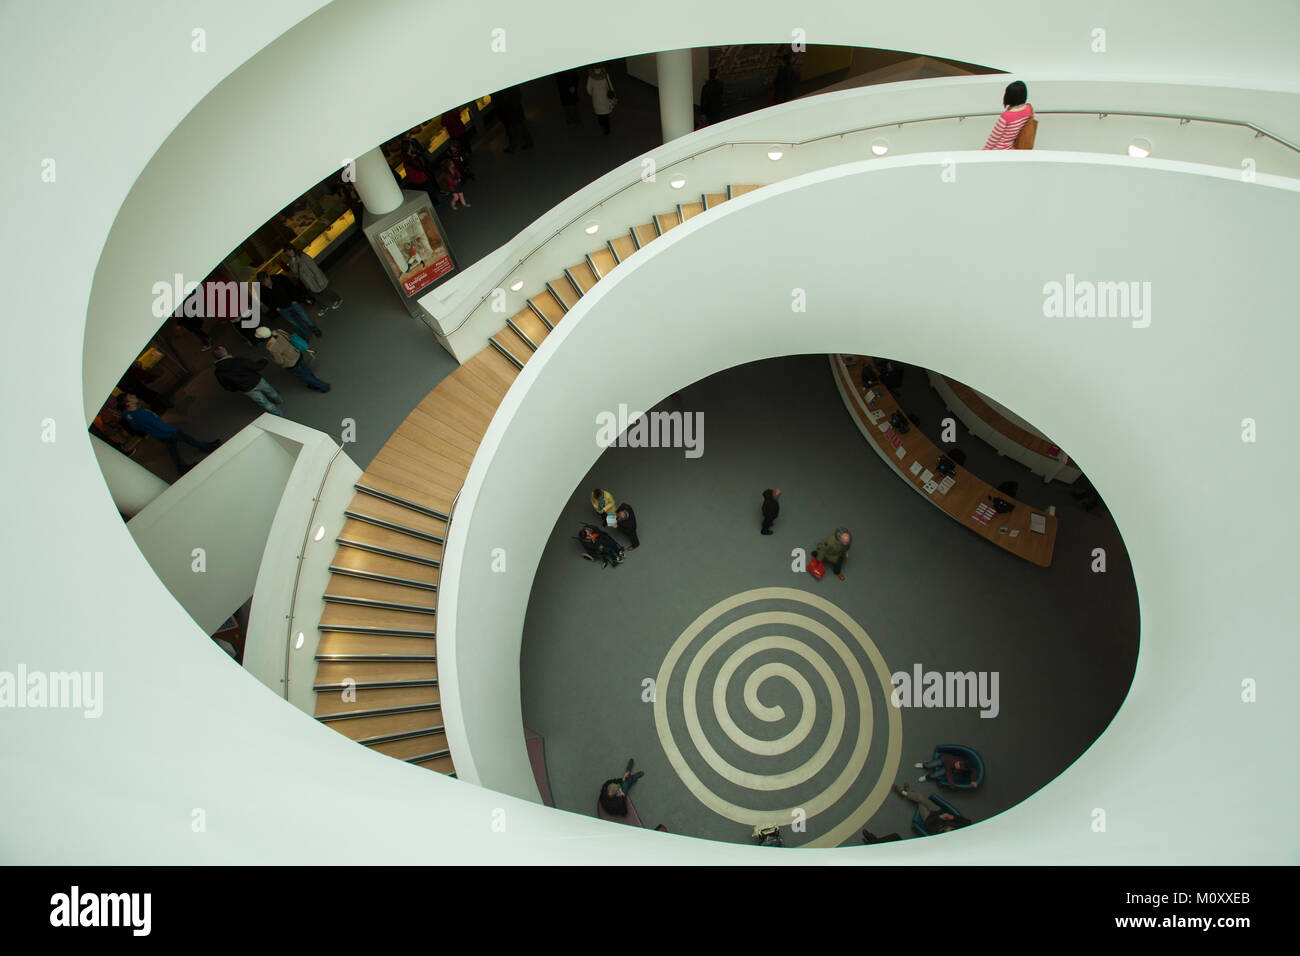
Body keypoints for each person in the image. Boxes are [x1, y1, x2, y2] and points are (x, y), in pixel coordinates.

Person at [119, 393, 218, 475]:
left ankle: (182, 467)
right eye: (131, 397)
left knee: (173, 450)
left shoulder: (128, 415)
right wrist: (171, 429)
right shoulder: (140, 413)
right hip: (168, 432)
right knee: (188, 439)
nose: (134, 395)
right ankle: (206, 447)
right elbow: (156, 424)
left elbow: (138, 428)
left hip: (160, 435)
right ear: (128, 403)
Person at [212, 346, 284, 416]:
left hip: (247, 389)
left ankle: (278, 414)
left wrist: (237, 388)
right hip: (257, 381)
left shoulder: (218, 372)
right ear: (224, 352)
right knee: (271, 392)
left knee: (264, 403)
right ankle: (279, 400)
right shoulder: (238, 360)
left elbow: (226, 385)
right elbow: (257, 367)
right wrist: (264, 361)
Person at [255, 326, 331, 392]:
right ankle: (314, 382)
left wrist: (274, 360)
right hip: (297, 353)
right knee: (306, 370)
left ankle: (324, 386)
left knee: (304, 376)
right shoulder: (279, 332)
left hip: (292, 363)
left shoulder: (271, 347)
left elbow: (280, 361)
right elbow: (289, 338)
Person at [258, 271, 321, 340]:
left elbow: (291, 287)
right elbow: (266, 301)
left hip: (292, 303)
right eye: (263, 283)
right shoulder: (261, 290)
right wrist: (275, 308)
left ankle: (315, 329)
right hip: (282, 309)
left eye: (266, 281)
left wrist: (294, 299)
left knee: (305, 317)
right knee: (295, 323)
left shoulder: (279, 278)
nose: (265, 284)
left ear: (268, 277)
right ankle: (306, 334)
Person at [892, 783, 971, 834]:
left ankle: (905, 792)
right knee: (920, 797)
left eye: (949, 830)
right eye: (952, 828)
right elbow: (967, 822)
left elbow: (928, 826)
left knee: (920, 800)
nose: (950, 827)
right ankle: (907, 792)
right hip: (937, 810)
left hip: (928, 817)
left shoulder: (938, 835)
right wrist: (952, 817)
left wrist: (939, 818)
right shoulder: (960, 829)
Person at [284, 247, 342, 316]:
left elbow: (314, 267)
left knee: (324, 290)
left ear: (293, 249)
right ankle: (323, 307)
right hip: (306, 281)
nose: (289, 252)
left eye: (290, 250)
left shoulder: (302, 256)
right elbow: (296, 273)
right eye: (287, 252)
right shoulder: (291, 261)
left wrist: (319, 280)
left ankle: (337, 299)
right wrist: (293, 261)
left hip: (313, 278)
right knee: (314, 295)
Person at [983, 80, 1034, 150]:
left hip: (998, 150)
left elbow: (993, 139)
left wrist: (983, 152)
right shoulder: (1029, 109)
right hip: (1012, 149)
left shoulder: (1006, 116)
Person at [401, 137, 441, 207]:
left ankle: (433, 203)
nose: (412, 146)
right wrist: (424, 168)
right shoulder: (409, 159)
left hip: (417, 178)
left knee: (427, 190)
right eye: (411, 145)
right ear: (409, 147)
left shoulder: (408, 157)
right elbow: (418, 168)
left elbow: (417, 156)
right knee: (429, 190)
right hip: (419, 178)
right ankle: (435, 203)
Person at [494, 85, 533, 152]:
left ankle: (515, 146)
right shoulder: (509, 88)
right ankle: (516, 146)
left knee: (518, 128)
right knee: (516, 129)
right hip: (512, 112)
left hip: (513, 112)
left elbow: (515, 98)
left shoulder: (508, 89)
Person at [586, 66, 616, 135]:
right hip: (604, 98)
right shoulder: (605, 75)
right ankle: (607, 130)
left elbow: (588, 89)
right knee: (606, 114)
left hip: (596, 98)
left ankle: (601, 123)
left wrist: (593, 94)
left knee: (599, 112)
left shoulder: (590, 76)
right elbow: (610, 86)